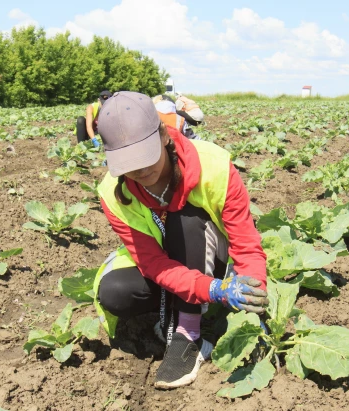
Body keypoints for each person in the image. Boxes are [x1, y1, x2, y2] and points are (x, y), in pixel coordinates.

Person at [92, 91, 268, 389]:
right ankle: (193, 308)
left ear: (163, 134)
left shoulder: (214, 165)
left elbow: (246, 243)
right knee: (115, 293)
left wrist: (254, 301)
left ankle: (188, 332)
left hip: (212, 255)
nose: (140, 169)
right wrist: (212, 290)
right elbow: (152, 263)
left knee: (184, 218)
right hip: (169, 267)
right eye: (128, 163)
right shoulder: (111, 192)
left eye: (145, 155)